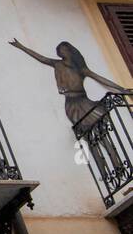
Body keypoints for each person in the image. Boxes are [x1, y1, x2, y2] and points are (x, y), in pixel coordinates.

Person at [9, 38, 128, 183]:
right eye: (58, 49)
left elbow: (100, 78)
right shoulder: (57, 64)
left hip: (84, 102)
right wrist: (21, 46)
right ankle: (104, 173)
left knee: (102, 136)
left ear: (70, 51)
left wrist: (121, 89)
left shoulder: (81, 69)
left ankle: (118, 167)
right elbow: (41, 58)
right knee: (88, 138)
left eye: (62, 48)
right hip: (71, 104)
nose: (59, 51)